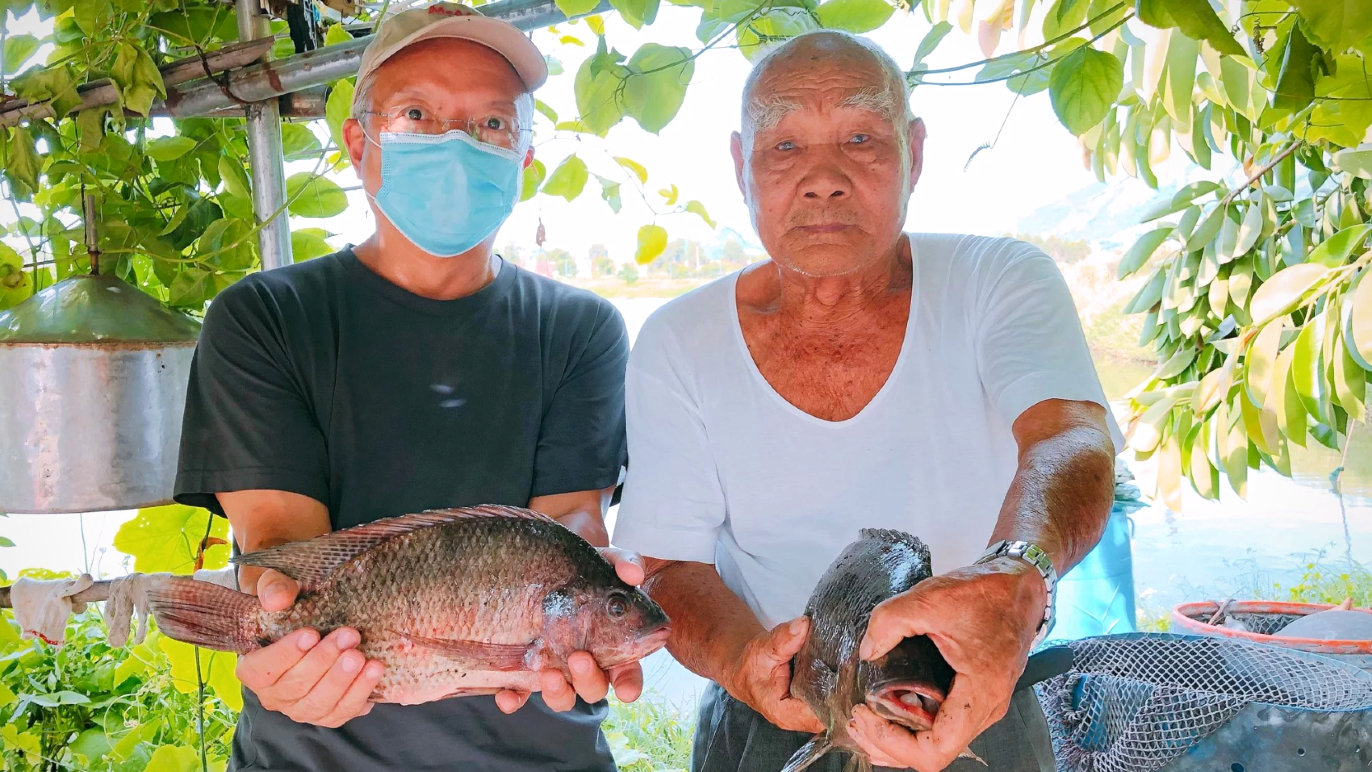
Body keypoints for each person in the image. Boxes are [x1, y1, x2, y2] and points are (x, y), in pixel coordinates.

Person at [612, 30, 1124, 772]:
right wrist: (743, 661)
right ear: (740, 166)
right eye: (785, 147)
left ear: (914, 153)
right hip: (768, 709)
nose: (824, 178)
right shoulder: (677, 341)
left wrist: (1016, 578)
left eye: (860, 137)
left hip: (975, 695)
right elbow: (667, 565)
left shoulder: (1000, 279)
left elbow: (1070, 439)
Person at [173, 5, 642, 770]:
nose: (458, 143)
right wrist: (278, 637)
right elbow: (280, 556)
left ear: (522, 160)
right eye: (418, 114)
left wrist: (605, 606)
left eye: (493, 123)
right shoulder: (263, 318)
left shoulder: (582, 329)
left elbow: (572, 528)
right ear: (361, 143)